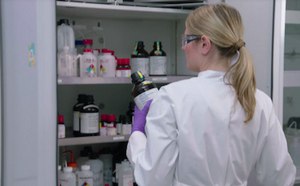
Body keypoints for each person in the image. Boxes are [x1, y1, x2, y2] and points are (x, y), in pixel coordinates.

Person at [126, 3, 296, 186]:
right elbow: (280, 178)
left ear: (205, 44)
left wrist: (137, 135)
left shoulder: (171, 97)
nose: (183, 47)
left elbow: (152, 179)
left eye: (186, 40)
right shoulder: (260, 101)